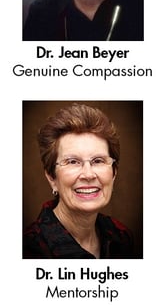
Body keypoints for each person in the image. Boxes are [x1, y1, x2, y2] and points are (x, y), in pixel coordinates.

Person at [23, 103, 134, 258]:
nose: (88, 174)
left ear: (113, 173)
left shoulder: (122, 237)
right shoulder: (28, 249)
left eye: (98, 161)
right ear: (51, 177)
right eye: (72, 162)